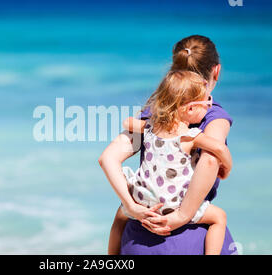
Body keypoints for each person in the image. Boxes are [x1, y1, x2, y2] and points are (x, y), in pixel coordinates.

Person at [99, 35, 237, 255]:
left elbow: (109, 157)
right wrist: (182, 215)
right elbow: (211, 159)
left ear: (174, 70)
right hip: (190, 237)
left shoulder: (153, 116)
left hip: (139, 232)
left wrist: (132, 206)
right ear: (216, 71)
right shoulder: (213, 116)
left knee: (121, 214)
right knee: (218, 218)